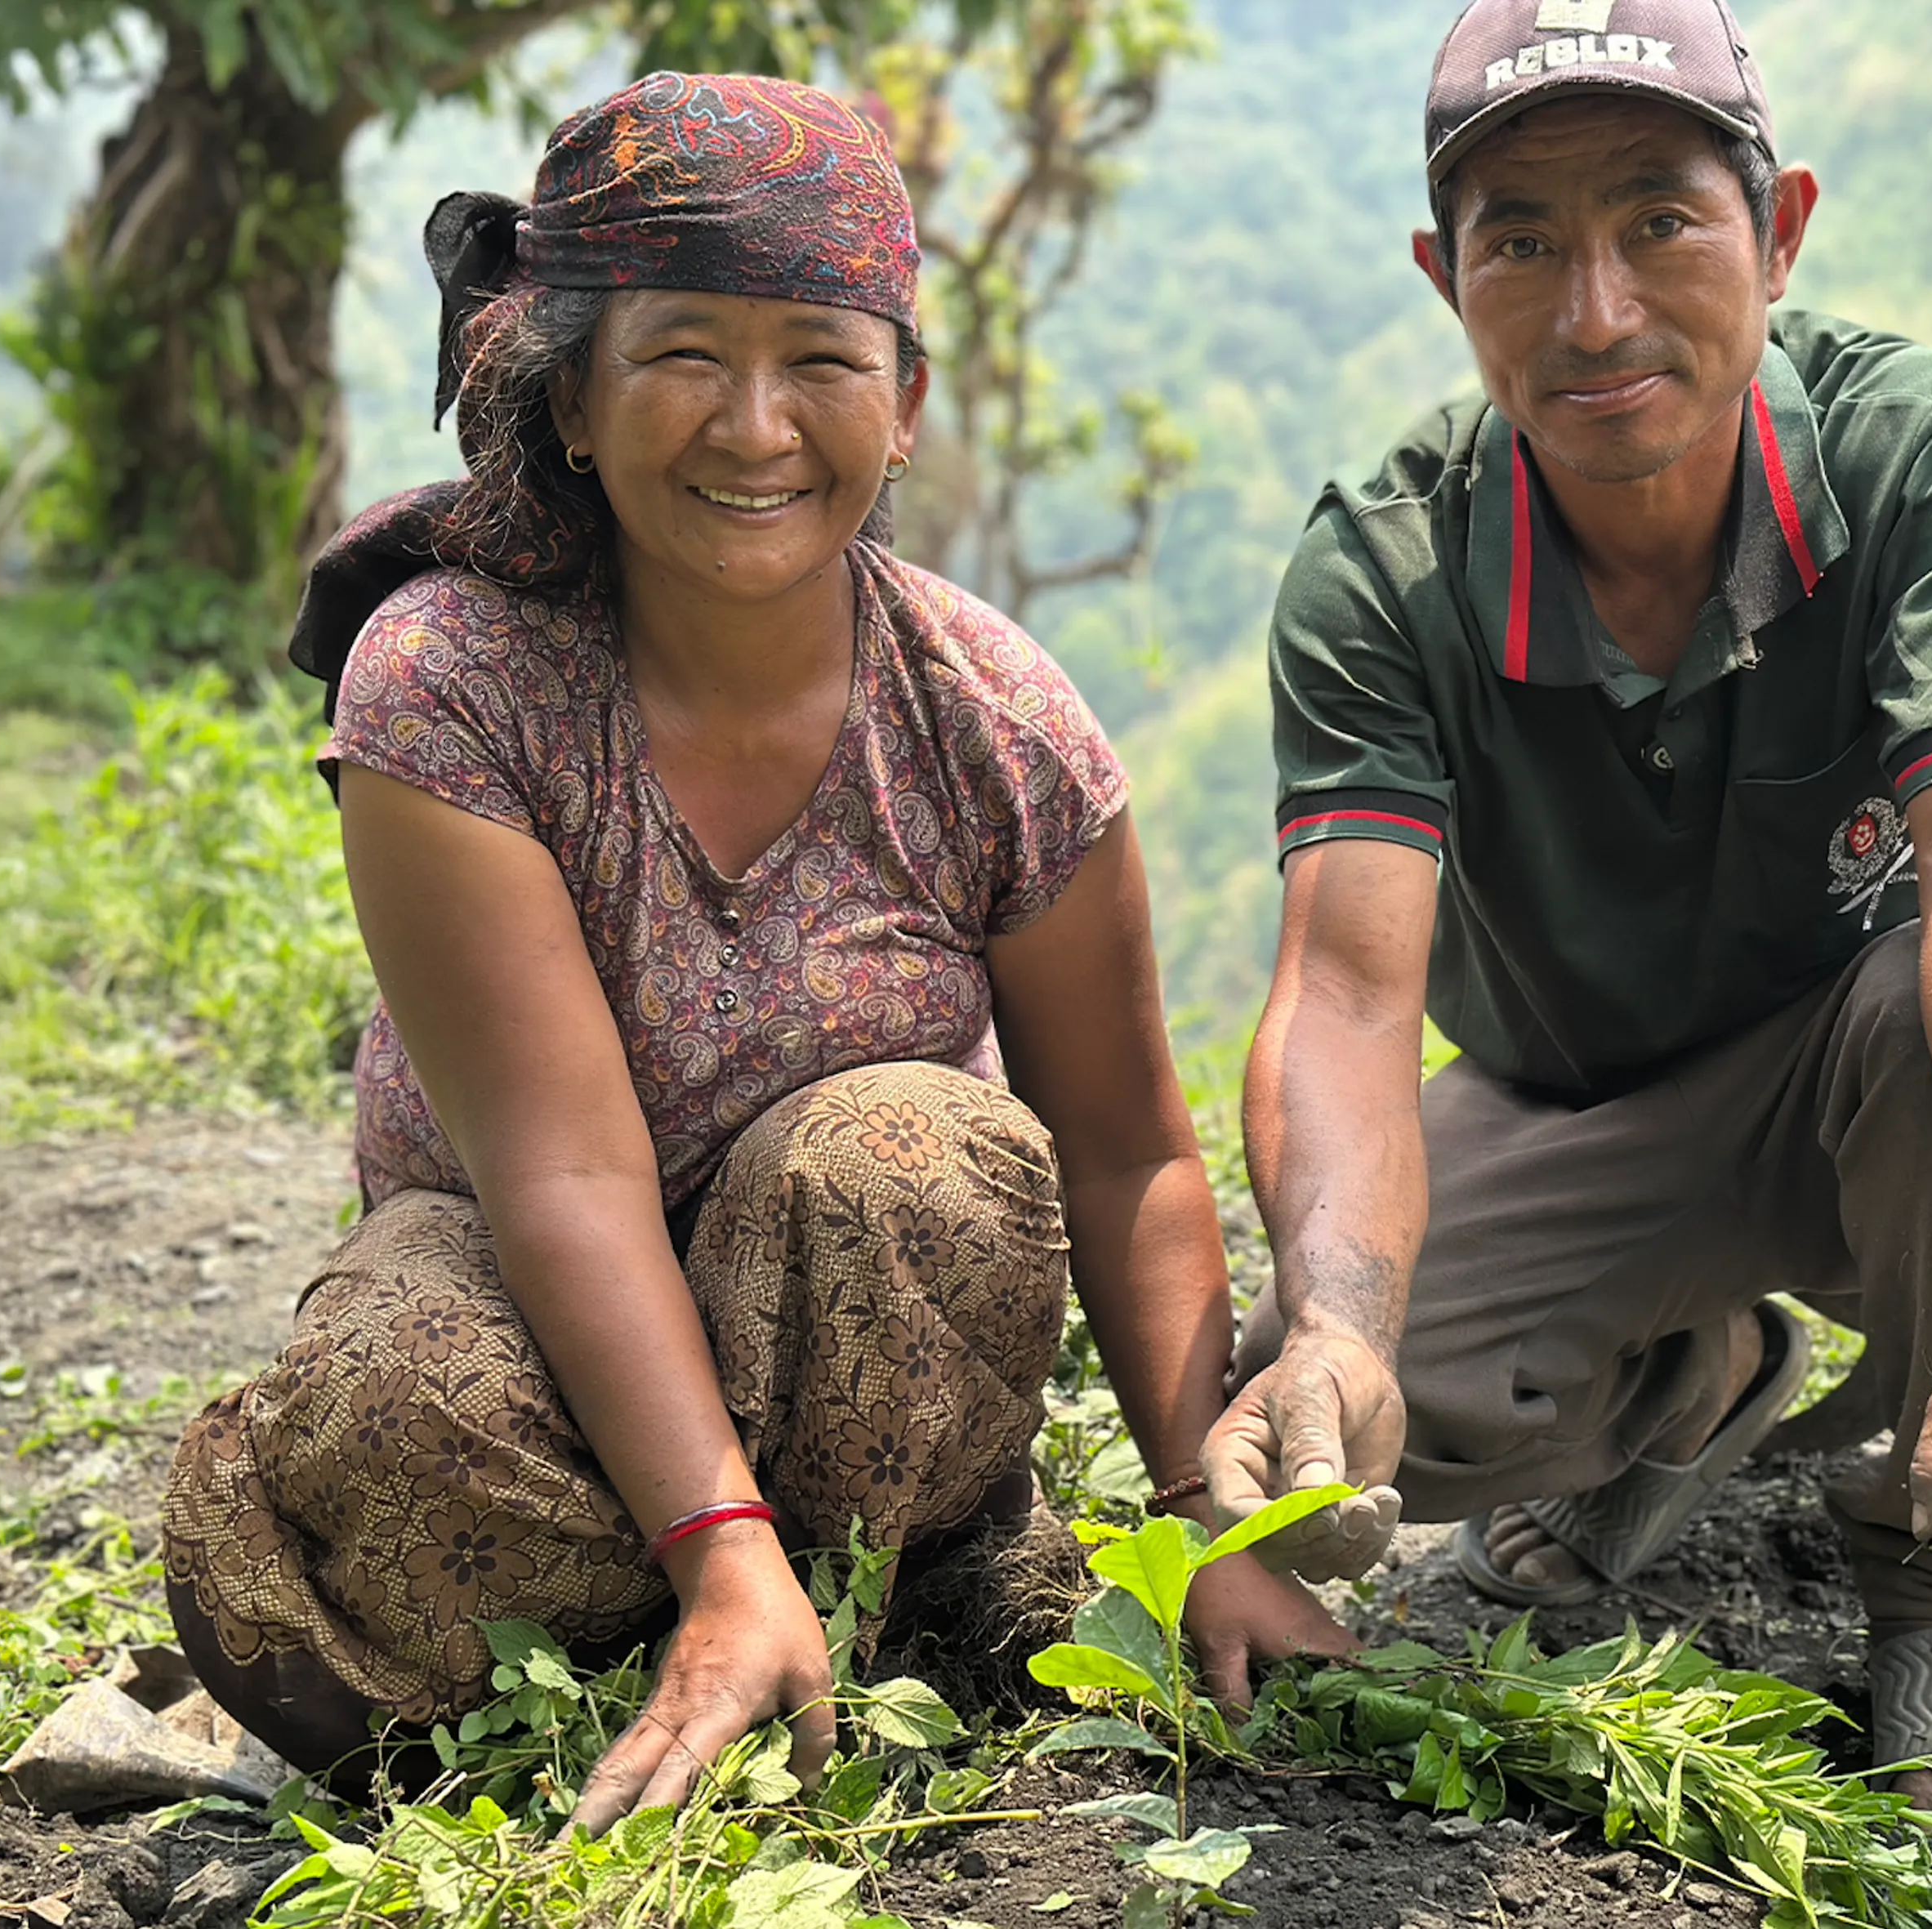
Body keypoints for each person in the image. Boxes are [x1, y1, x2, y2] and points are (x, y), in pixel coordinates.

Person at [158, 69, 1344, 1830]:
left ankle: (867, 1583)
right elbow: (558, 1169)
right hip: (537, 1313)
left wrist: (1199, 1517)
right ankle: (760, 1617)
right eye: (686, 354)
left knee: (910, 1155)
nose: (757, 424)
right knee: (389, 1396)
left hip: (859, 1359)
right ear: (571, 394)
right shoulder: (450, 685)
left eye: (821, 358)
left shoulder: (996, 721)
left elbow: (1126, 1148)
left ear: (908, 400)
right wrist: (716, 1543)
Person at [1198, 0, 1932, 1853]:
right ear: (1440, 278)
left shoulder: (1907, 451)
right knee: (1362, 1414)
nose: (1596, 310)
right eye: (1522, 242)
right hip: (1571, 1107)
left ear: (1778, 231)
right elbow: (1348, 993)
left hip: (1856, 1082)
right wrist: (1333, 1320)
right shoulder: (1387, 567)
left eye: (1660, 224)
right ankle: (1700, 1374)